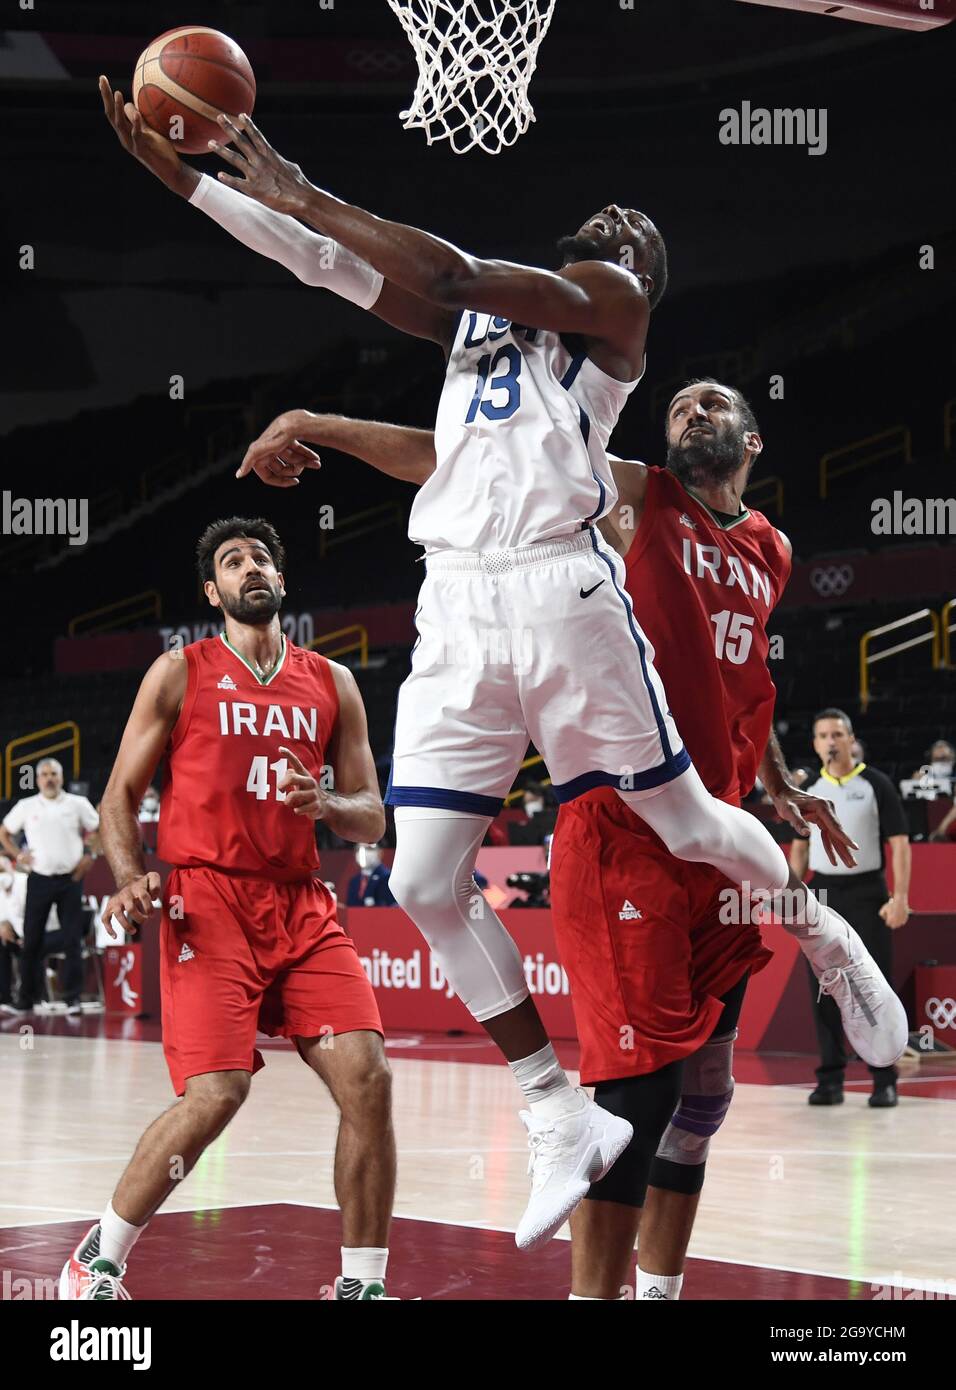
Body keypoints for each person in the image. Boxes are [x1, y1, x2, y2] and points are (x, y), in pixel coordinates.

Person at [99, 86, 902, 1249]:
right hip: (458, 604)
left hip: (558, 592)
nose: (616, 219)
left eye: (638, 227)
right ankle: (549, 1106)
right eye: (604, 214)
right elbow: (325, 265)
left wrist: (293, 181)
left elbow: (453, 272)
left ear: (639, 276)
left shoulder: (608, 310)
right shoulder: (481, 339)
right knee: (419, 875)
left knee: (683, 820)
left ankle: (822, 936)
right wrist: (195, 184)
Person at [233, 389, 909, 1298]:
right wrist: (320, 427)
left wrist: (780, 779)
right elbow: (455, 461)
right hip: (624, 826)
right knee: (638, 1097)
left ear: (752, 439)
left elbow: (740, 677)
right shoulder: (634, 497)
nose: (688, 411)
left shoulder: (773, 548)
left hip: (729, 826)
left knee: (704, 1099)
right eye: (675, 406)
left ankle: (658, 1292)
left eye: (710, 403)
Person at [59, 517, 396, 1302]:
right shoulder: (180, 671)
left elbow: (373, 815)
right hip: (208, 902)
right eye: (233, 561)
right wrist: (131, 873)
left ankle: (361, 1284)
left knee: (369, 1079)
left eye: (262, 559)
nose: (252, 568)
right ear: (213, 591)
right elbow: (119, 797)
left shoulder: (332, 683)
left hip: (302, 905)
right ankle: (97, 1258)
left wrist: (328, 802)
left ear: (281, 582)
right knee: (217, 1094)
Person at [791, 709, 911, 1108]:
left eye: (837, 734)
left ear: (851, 739)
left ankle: (883, 1078)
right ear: (814, 743)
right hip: (822, 892)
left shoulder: (876, 783)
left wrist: (900, 898)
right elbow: (800, 846)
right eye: (823, 735)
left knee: (873, 985)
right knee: (824, 986)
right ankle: (830, 1078)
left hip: (866, 892)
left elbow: (899, 843)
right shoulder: (805, 792)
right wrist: (792, 896)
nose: (830, 741)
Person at [0, 758, 99, 1016]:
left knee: (72, 940)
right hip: (39, 878)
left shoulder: (77, 804)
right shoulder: (27, 806)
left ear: (61, 777)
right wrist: (17, 856)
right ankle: (25, 999)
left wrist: (90, 856)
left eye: (53, 773)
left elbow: (99, 828)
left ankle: (72, 999)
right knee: (31, 940)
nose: (49, 778)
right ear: (37, 780)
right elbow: (4, 833)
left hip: (70, 879)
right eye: (44, 774)